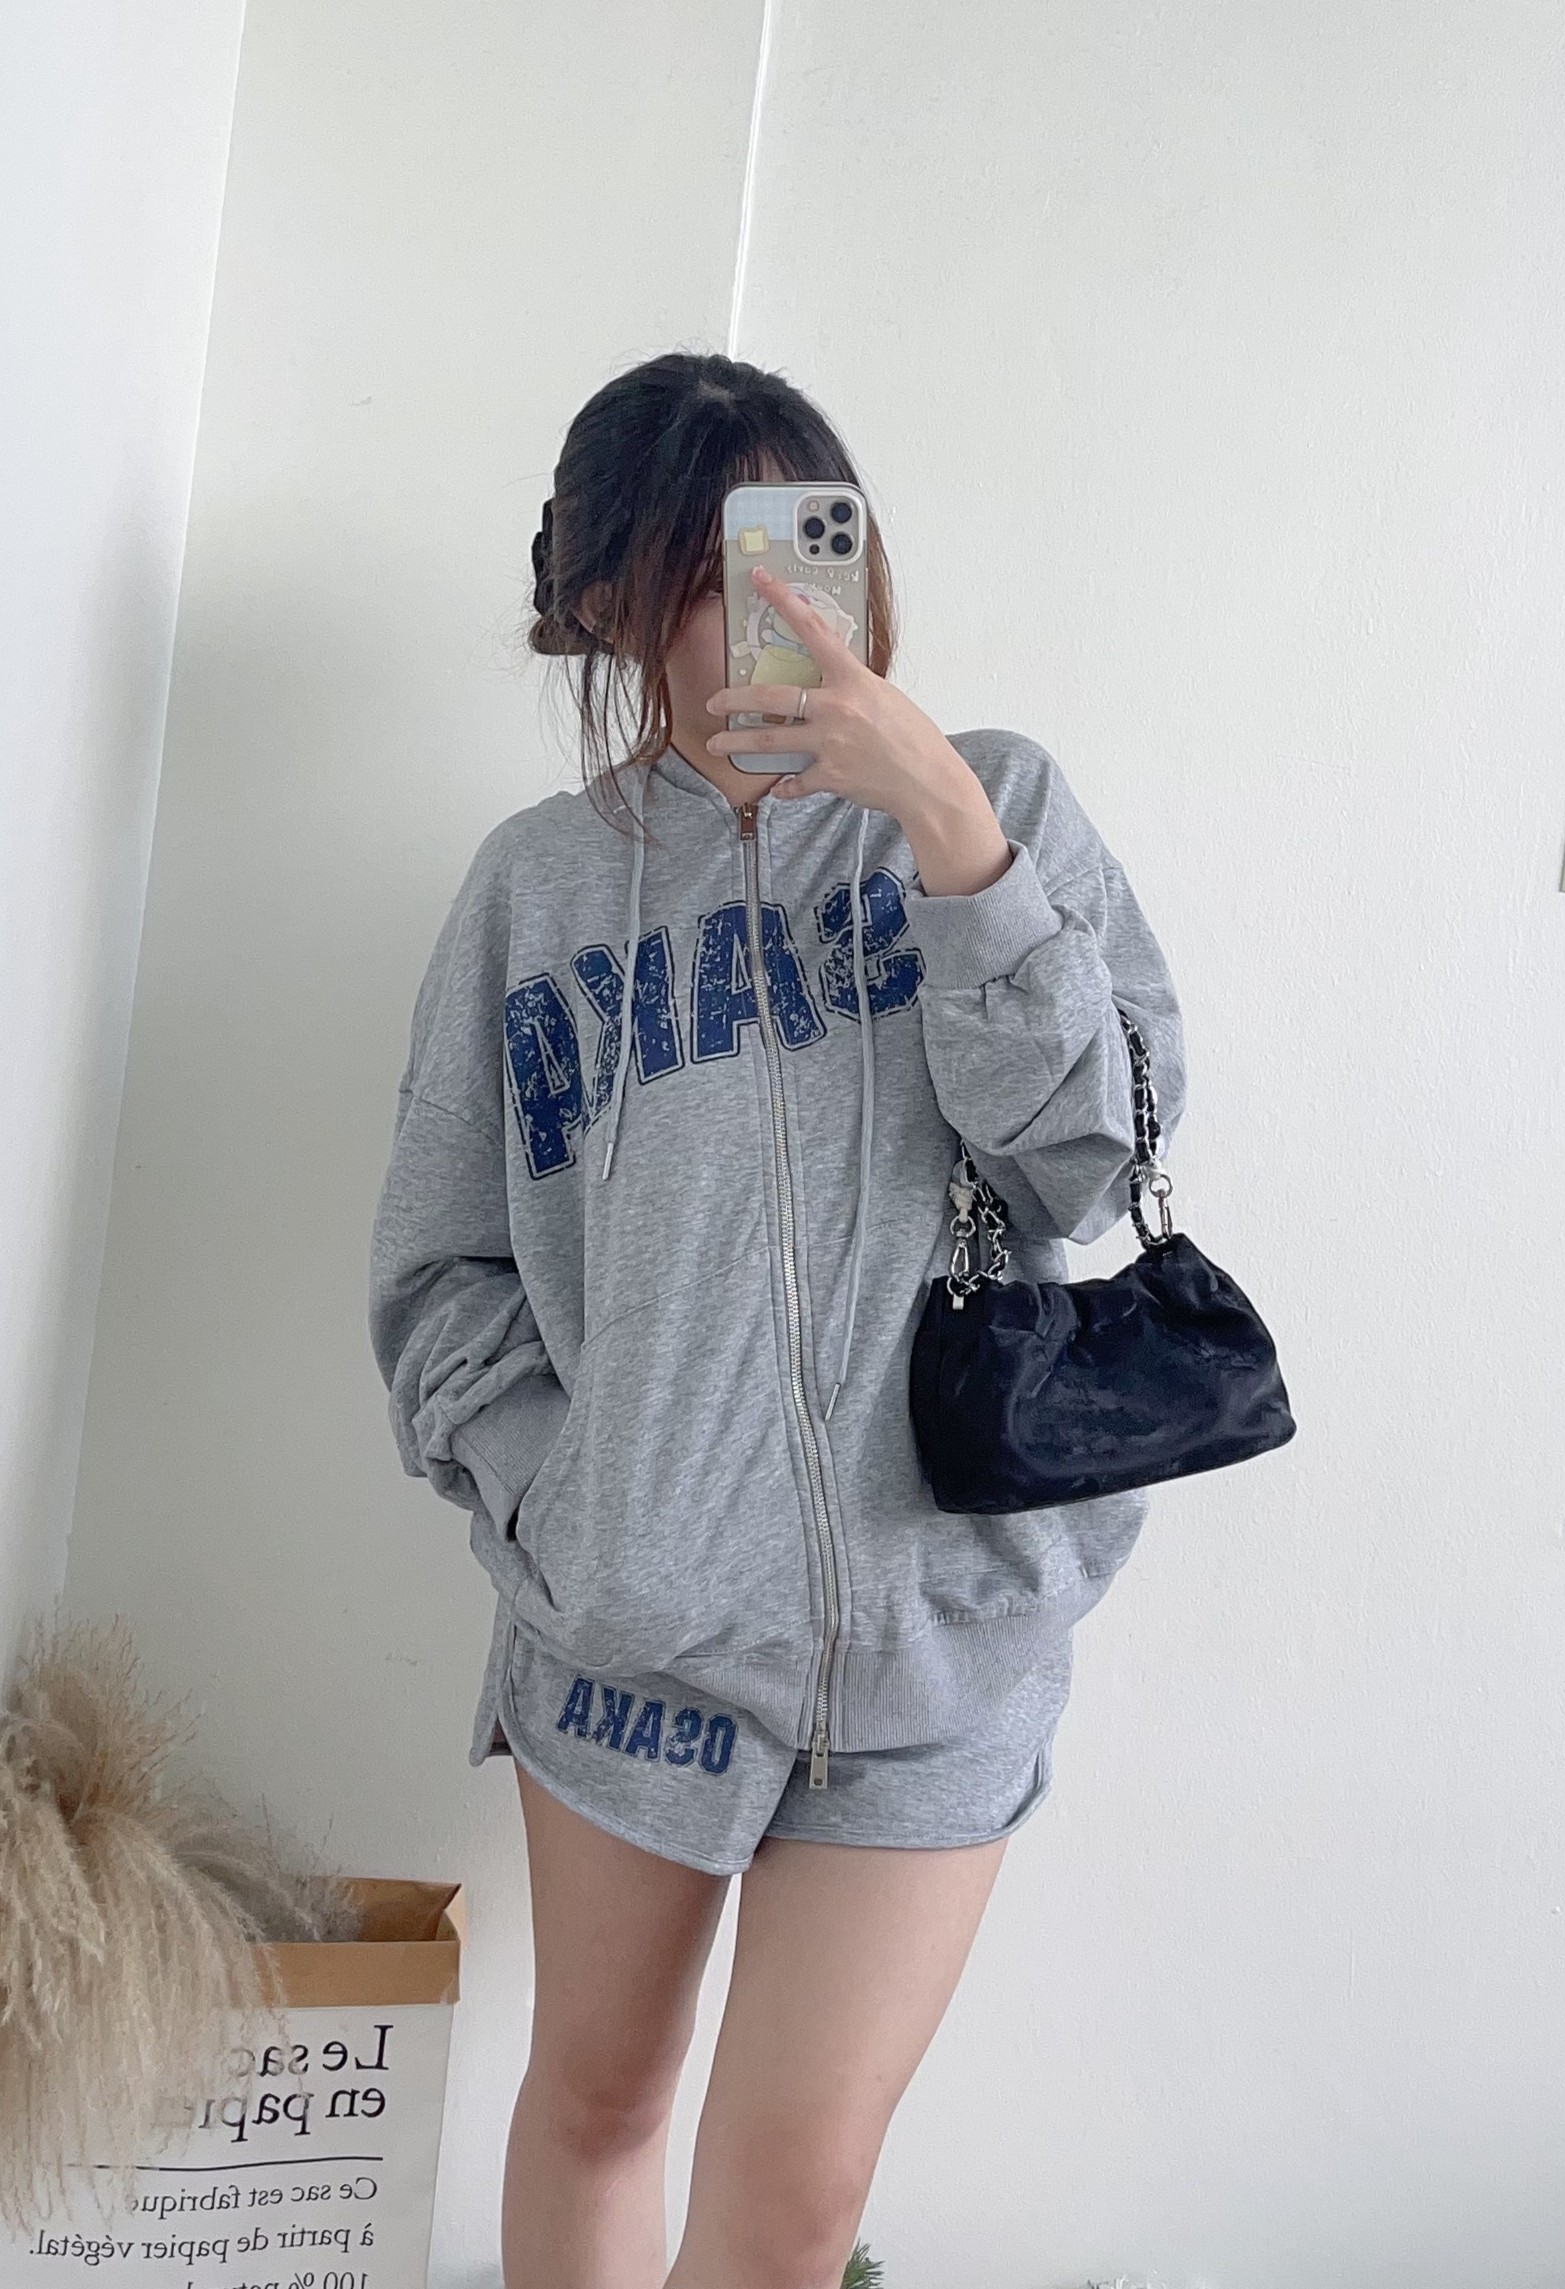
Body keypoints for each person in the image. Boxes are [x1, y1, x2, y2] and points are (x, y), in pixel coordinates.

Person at [367, 350, 1186, 2289]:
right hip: (630, 1642)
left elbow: (1095, 1164)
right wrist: (579, 1506)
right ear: (611, 594)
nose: (770, 604)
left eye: (800, 540)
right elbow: (441, 1271)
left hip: (940, 1638)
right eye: (704, 563)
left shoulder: (998, 805)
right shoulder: (537, 888)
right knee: (599, 2101)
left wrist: (952, 840)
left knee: (799, 2195)